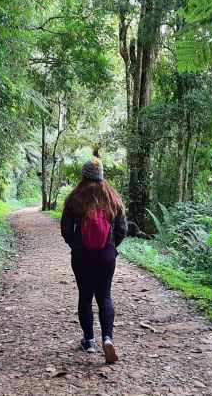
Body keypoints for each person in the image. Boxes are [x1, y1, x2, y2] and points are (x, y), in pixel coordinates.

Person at [60, 154, 127, 364]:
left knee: (85, 297)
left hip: (82, 256)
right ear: (101, 176)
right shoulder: (113, 199)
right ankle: (107, 338)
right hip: (106, 256)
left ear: (83, 176)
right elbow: (122, 229)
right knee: (105, 296)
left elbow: (65, 230)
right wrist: (111, 248)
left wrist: (76, 245)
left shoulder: (74, 199)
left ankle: (89, 341)